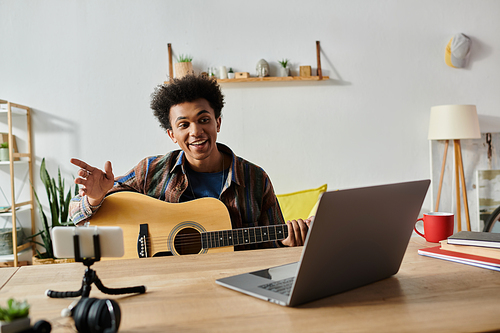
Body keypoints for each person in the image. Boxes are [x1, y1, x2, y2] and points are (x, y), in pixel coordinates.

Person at [69, 74, 310, 250]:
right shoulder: (151, 171)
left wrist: (290, 241)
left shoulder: (255, 179)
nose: (196, 131)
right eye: (183, 124)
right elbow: (77, 216)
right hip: (168, 287)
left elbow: (277, 245)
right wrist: (95, 198)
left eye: (204, 119)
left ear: (218, 122)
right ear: (172, 134)